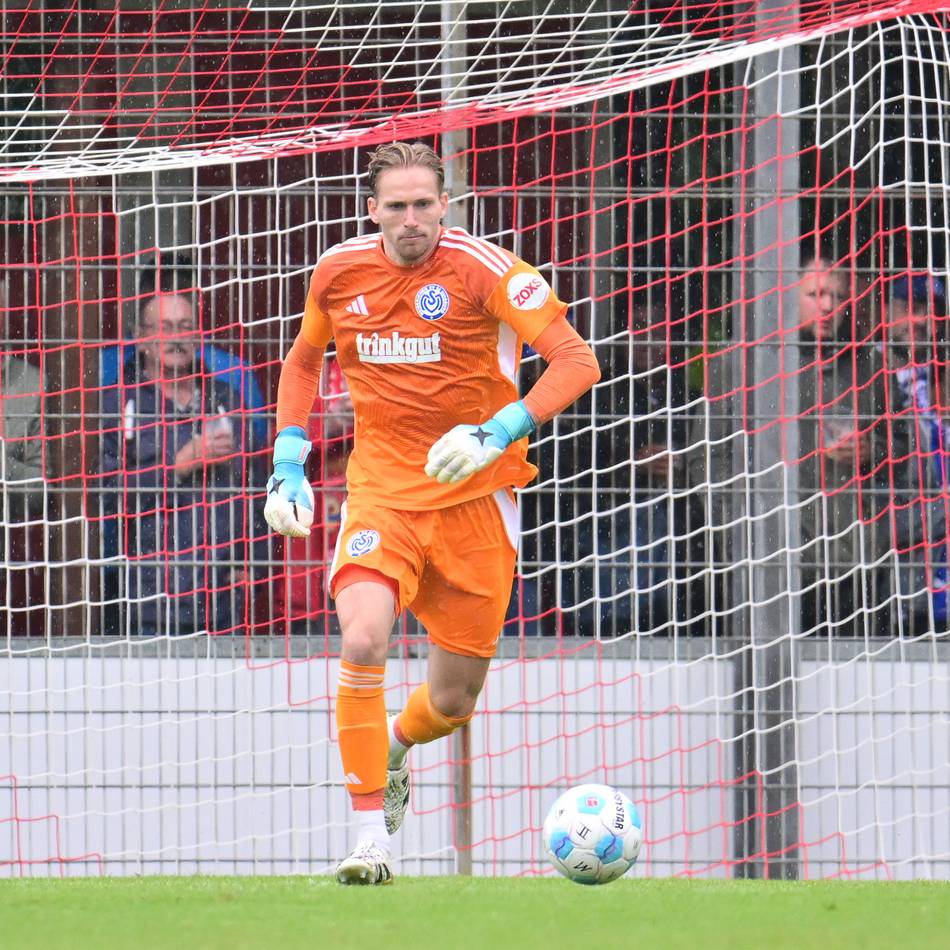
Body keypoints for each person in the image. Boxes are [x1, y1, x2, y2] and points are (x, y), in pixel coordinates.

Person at [263, 141, 600, 884]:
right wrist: (290, 459)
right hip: (382, 490)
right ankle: (369, 841)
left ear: (445, 204)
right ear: (372, 208)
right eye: (396, 205)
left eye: (424, 204)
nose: (410, 218)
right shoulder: (339, 270)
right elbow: (302, 361)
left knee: (452, 700)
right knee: (361, 641)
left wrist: (496, 433)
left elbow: (577, 361)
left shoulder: (489, 271)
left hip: (479, 501)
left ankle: (393, 744)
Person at [100, 258, 265, 636]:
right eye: (164, 328)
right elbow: (105, 495)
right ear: (141, 336)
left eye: (185, 327)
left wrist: (250, 561)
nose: (176, 338)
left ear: (199, 334)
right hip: (146, 594)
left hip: (223, 596)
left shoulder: (229, 398)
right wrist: (178, 465)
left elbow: (257, 488)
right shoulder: (118, 403)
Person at [796, 254, 898, 637]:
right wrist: (733, 536)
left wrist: (875, 450)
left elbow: (905, 447)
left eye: (836, 297)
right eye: (815, 294)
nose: (826, 307)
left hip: (860, 557)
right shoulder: (756, 366)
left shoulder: (869, 366)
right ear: (788, 297)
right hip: (779, 560)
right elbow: (716, 457)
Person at [885, 272, 949, 633]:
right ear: (887, 312)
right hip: (902, 520)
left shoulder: (942, 368)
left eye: (929, 309)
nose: (921, 319)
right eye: (909, 307)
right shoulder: (869, 367)